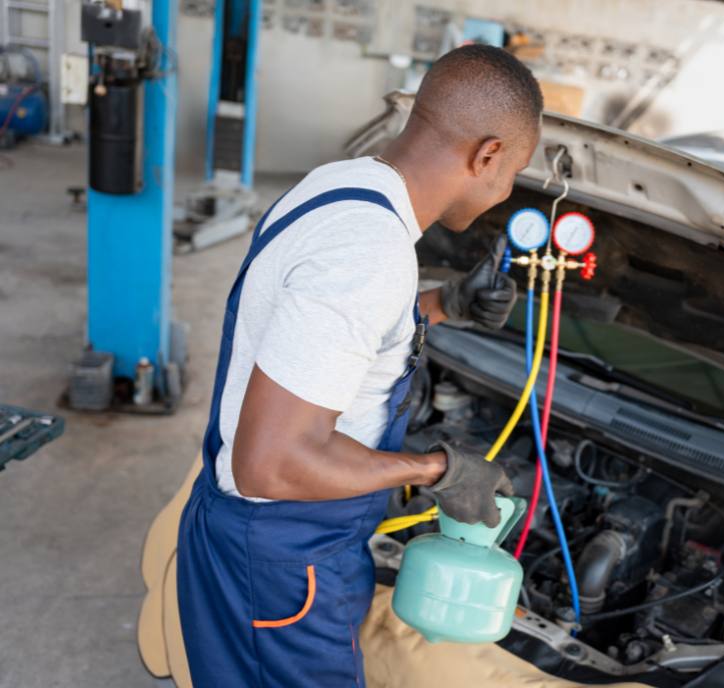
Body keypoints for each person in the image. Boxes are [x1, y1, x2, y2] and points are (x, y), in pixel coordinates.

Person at [176, 44, 543, 686]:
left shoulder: (341, 185)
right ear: (486, 156)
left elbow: (320, 326)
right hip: (283, 559)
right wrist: (440, 470)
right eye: (511, 172)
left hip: (279, 545)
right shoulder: (369, 252)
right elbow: (271, 463)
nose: (504, 190)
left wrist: (441, 304)